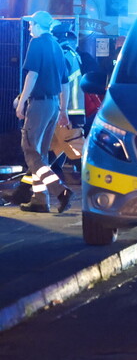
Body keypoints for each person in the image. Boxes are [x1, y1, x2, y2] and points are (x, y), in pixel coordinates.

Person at [15, 11, 72, 213]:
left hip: (38, 105)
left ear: (38, 25)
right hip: (54, 105)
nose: (29, 27)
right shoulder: (57, 46)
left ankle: (60, 192)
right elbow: (65, 82)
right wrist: (63, 110)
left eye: (31, 24)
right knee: (41, 155)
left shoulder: (37, 44)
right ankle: (40, 200)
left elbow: (32, 74)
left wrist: (21, 102)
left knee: (30, 151)